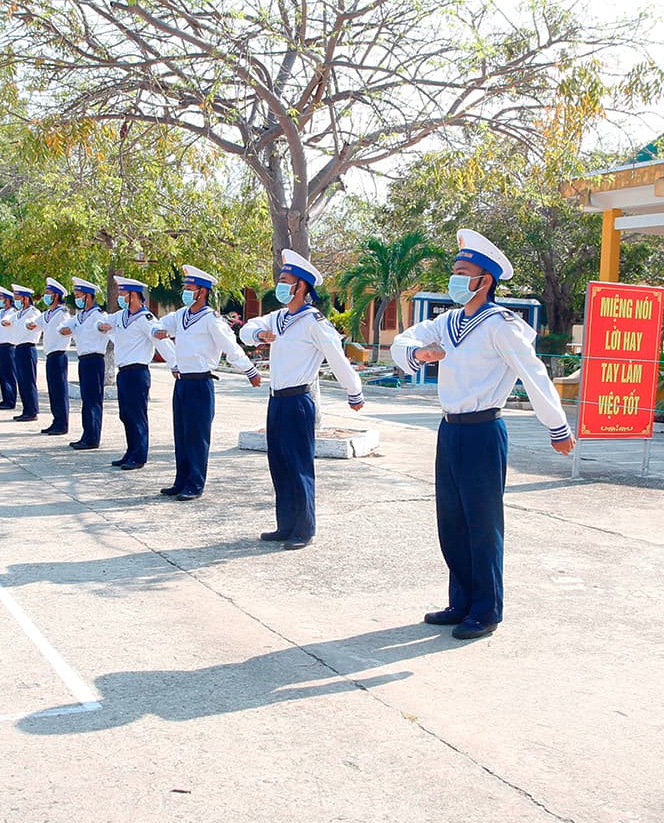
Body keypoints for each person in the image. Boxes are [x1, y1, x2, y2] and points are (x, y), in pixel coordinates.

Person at [390, 229, 575, 640]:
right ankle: (460, 601)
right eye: (454, 271)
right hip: (449, 429)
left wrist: (557, 426)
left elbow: (534, 374)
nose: (455, 279)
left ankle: (486, 608)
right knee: (451, 520)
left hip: (483, 430)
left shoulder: (501, 325)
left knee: (483, 522)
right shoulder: (449, 321)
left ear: (485, 280)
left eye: (463, 272)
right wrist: (418, 354)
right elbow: (405, 341)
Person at [240, 249, 366, 548]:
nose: (280, 286)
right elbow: (247, 329)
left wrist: (354, 391)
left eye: (286, 281)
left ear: (302, 287)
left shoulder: (314, 321)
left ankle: (304, 528)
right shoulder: (279, 318)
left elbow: (337, 357)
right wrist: (259, 335)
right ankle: (285, 524)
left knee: (298, 464)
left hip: (298, 401)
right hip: (277, 400)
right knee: (279, 463)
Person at [151, 265, 262, 501]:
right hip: (182, 382)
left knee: (197, 435)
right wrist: (159, 331)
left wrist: (250, 370)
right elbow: (159, 324)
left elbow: (230, 348)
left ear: (202, 292)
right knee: (181, 433)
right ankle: (181, 480)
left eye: (190, 288)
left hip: (201, 382)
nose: (186, 292)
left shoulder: (212, 320)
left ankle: (195, 483)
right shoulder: (181, 315)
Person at [104, 275, 175, 470]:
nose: (120, 296)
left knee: (137, 415)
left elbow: (160, 339)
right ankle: (130, 451)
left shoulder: (146, 318)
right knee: (125, 414)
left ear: (133, 295)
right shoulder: (121, 316)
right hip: (123, 371)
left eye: (123, 293)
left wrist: (175, 364)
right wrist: (100, 326)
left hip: (138, 372)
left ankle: (139, 455)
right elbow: (104, 323)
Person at [63, 278, 109, 450]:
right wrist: (68, 329)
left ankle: (93, 437)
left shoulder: (98, 315)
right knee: (86, 399)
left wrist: (102, 327)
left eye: (79, 295)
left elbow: (102, 326)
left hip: (95, 360)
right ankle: (86, 433)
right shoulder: (80, 316)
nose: (77, 298)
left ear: (89, 296)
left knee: (93, 400)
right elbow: (64, 327)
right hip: (83, 360)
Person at [39, 278, 74, 436]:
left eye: (49, 293)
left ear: (57, 296)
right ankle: (56, 420)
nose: (46, 296)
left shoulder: (62, 313)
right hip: (50, 355)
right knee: (53, 390)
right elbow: (36, 322)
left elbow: (68, 327)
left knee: (59, 390)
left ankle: (62, 423)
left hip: (59, 354)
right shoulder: (48, 313)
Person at [10, 284, 44, 421]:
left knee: (29, 380)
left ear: (25, 298)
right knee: (22, 381)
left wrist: (30, 323)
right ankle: (26, 409)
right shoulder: (19, 313)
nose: (16, 301)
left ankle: (32, 410)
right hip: (18, 348)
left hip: (28, 348)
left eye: (18, 298)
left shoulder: (33, 312)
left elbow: (34, 322)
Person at [0, 288, 19, 409]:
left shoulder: (12, 312)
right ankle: (5, 399)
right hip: (2, 346)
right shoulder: (2, 312)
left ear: (8, 300)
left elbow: (6, 321)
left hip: (9, 346)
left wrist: (4, 321)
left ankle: (10, 400)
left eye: (1, 298)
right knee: (3, 374)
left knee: (9, 374)